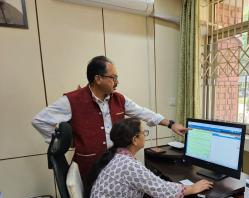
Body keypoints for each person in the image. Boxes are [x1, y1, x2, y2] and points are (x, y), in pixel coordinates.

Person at [32, 56, 187, 177]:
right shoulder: (72, 100)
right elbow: (40, 121)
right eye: (113, 77)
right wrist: (67, 142)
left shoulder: (118, 98)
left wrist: (171, 124)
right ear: (98, 79)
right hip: (88, 169)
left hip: (114, 165)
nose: (116, 82)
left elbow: (143, 112)